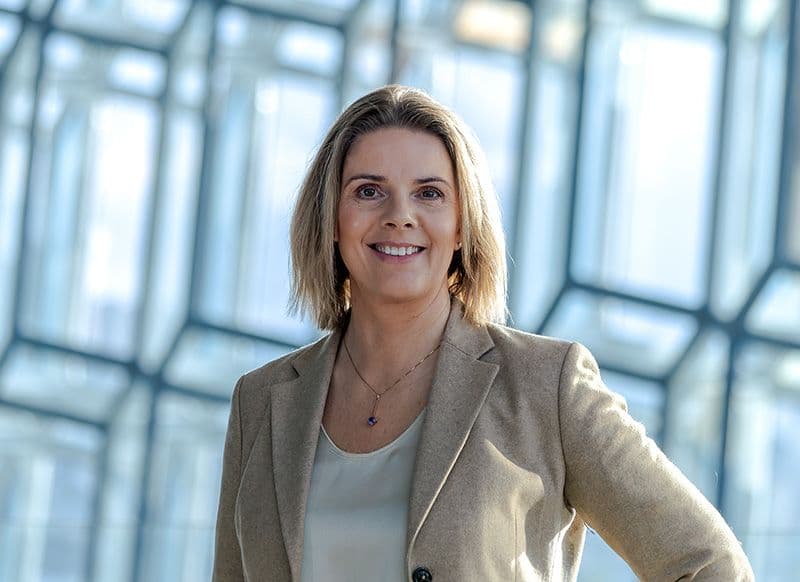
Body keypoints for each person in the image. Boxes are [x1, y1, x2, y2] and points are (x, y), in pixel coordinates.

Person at [212, 85, 754, 581]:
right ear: (331, 219)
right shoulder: (260, 402)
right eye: (369, 191)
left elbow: (711, 564)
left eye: (429, 194)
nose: (400, 216)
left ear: (461, 227)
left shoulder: (548, 387)